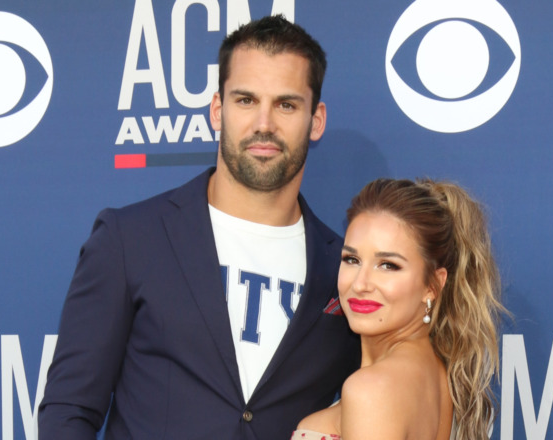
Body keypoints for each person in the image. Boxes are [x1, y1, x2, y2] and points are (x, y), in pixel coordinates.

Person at [38, 15, 359, 439]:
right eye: (246, 100)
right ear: (217, 109)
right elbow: (69, 411)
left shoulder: (345, 270)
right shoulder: (130, 239)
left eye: (286, 104)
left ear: (315, 120)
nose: (264, 124)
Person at [293, 178, 506, 440]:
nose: (360, 284)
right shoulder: (441, 378)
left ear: (432, 285)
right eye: (352, 259)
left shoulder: (373, 390)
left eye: (388, 265)